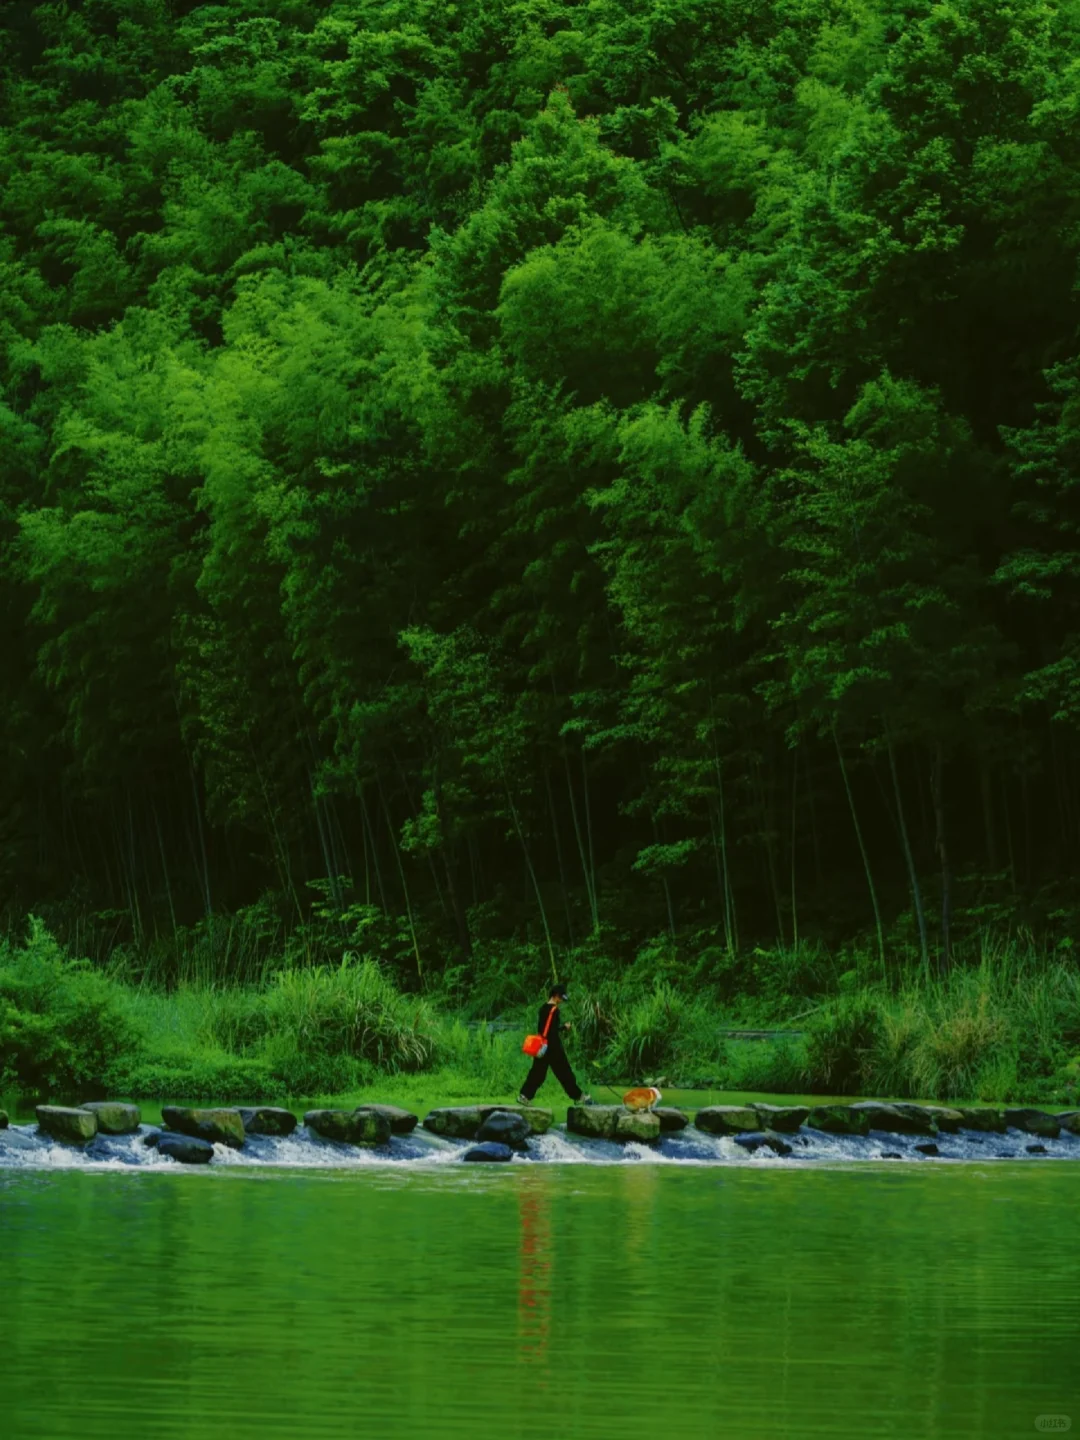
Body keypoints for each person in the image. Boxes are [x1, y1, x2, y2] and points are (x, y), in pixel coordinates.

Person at [518, 982, 592, 1106]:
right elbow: (552, 1033)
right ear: (556, 995)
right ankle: (579, 1097)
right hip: (553, 1048)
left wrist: (562, 1027)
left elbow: (545, 1029)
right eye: (561, 998)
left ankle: (524, 1096)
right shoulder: (554, 1010)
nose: (561, 1001)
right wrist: (558, 1048)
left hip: (541, 1047)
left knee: (537, 1074)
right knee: (565, 1073)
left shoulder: (543, 1009)